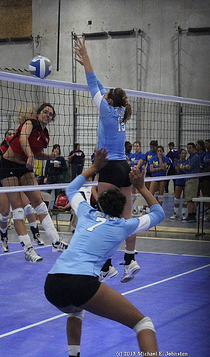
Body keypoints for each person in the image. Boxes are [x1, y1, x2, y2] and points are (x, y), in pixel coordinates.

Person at [44, 149, 164, 357]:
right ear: (122, 208)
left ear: (98, 204)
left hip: (53, 284)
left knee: (75, 310)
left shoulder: (86, 212)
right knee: (143, 323)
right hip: (81, 282)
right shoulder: (125, 225)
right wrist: (141, 187)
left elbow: (71, 188)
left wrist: (94, 167)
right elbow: (159, 213)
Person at [74, 35, 139, 282]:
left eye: (107, 95)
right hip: (123, 165)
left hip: (109, 167)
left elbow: (93, 85)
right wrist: (86, 65)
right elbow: (100, 87)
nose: (105, 96)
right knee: (127, 216)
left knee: (105, 217)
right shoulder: (121, 111)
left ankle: (106, 266)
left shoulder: (107, 112)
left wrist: (86, 56)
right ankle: (130, 260)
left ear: (109, 101)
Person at [0, 103, 63, 263]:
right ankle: (28, 249)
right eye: (45, 112)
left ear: (52, 118)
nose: (47, 115)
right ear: (39, 113)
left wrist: (49, 157)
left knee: (39, 203)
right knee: (19, 209)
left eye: (50, 114)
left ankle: (56, 241)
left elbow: (37, 153)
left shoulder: (45, 135)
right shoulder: (30, 123)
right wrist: (30, 156)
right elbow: (22, 139)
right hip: (9, 165)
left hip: (24, 167)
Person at [179, 142, 200, 223]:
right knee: (190, 198)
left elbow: (188, 167)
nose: (188, 150)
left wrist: (184, 167)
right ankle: (192, 215)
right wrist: (184, 167)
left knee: (190, 199)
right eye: (188, 148)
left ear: (194, 148)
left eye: (190, 148)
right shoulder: (190, 157)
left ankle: (191, 215)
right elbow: (184, 167)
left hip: (192, 180)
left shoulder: (195, 157)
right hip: (188, 179)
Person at [171, 148, 188, 220]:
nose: (183, 155)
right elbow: (177, 170)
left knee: (185, 198)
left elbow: (185, 169)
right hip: (178, 181)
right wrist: (179, 165)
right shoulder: (176, 162)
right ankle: (176, 213)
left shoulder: (187, 161)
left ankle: (184, 213)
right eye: (182, 153)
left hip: (186, 181)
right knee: (176, 198)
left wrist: (181, 167)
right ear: (180, 154)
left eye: (185, 153)